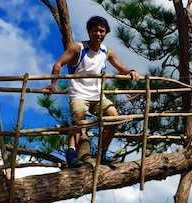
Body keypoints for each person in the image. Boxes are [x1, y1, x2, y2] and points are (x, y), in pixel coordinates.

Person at [42, 15, 141, 168]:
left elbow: (121, 67)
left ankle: (102, 152)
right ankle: (71, 152)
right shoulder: (78, 48)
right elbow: (58, 64)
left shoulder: (106, 52)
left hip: (97, 95)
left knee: (114, 117)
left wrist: (131, 71)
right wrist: (53, 84)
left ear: (106, 33)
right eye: (95, 30)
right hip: (79, 93)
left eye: (102, 31)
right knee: (79, 119)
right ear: (89, 32)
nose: (98, 34)